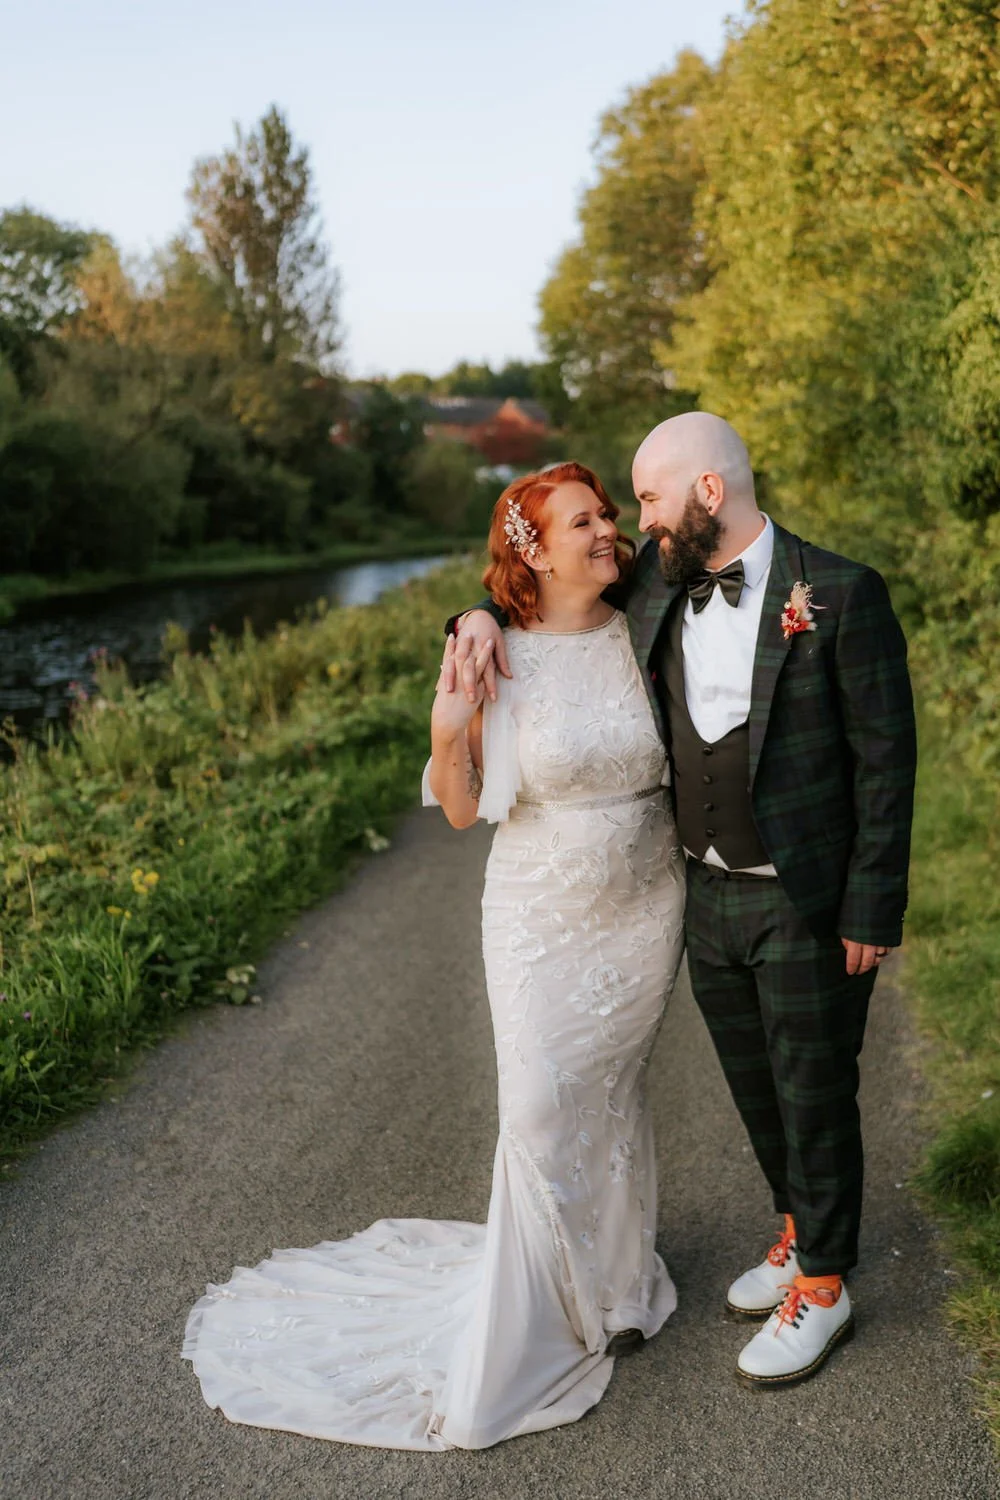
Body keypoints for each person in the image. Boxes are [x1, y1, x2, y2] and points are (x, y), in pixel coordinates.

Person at [182, 462, 686, 1448]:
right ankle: (535, 1321)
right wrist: (445, 723)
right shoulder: (491, 651)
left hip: (644, 905)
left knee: (607, 1096)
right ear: (531, 547)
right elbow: (459, 809)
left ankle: (615, 1286)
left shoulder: (644, 621)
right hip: (539, 916)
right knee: (539, 1107)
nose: (606, 531)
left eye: (606, 516)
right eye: (583, 520)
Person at [446, 412, 917, 1388]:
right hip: (699, 896)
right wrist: (473, 619)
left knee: (814, 1089)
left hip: (804, 895)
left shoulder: (839, 593)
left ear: (708, 492)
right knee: (756, 1088)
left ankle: (823, 1286)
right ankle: (799, 1230)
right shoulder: (658, 588)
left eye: (648, 499)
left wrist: (872, 907)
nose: (633, 524)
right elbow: (538, 591)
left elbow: (884, 765)